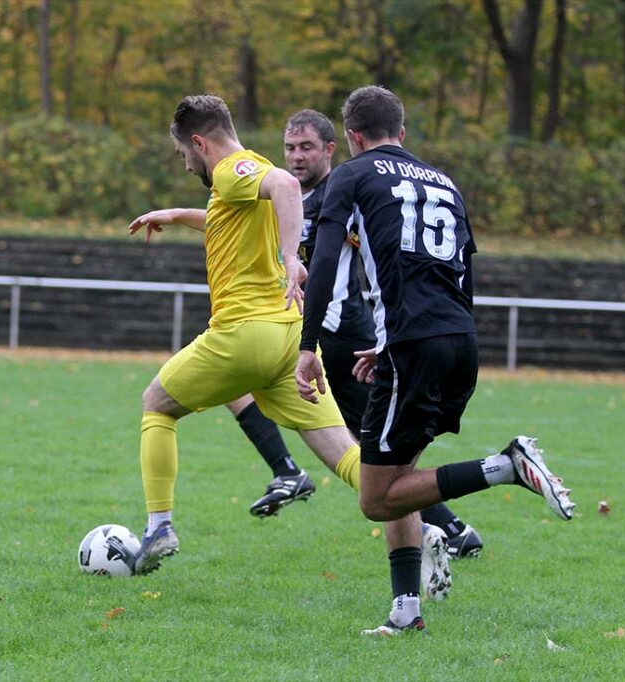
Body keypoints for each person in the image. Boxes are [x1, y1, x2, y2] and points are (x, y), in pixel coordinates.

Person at [122, 95, 450, 601]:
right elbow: (229, 219)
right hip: (289, 341)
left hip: (245, 334)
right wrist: (174, 214)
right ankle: (422, 528)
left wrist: (289, 258)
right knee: (351, 461)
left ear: (197, 142)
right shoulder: (237, 182)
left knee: (155, 406)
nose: (185, 165)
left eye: (183, 155)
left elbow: (285, 184)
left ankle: (159, 528)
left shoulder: (237, 168)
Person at [296, 86, 576, 636]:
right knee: (401, 475)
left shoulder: (352, 176)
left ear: (351, 137)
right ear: (402, 132)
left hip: (414, 346)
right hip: (457, 339)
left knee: (377, 499)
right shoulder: (444, 181)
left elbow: (325, 261)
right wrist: (394, 342)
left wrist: (308, 347)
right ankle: (405, 611)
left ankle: (505, 465)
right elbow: (463, 271)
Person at [240, 109, 484, 561]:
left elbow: (344, 249)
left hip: (337, 331)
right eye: (290, 148)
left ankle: (450, 529)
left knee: (375, 456)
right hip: (364, 333)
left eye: (306, 147)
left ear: (337, 146)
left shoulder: (346, 186)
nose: (295, 156)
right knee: (370, 445)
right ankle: (289, 473)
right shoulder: (318, 195)